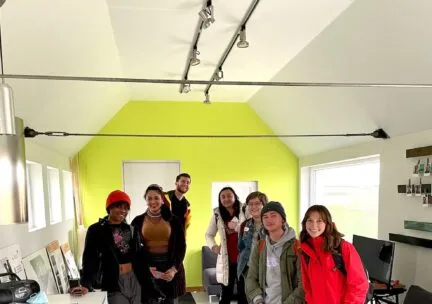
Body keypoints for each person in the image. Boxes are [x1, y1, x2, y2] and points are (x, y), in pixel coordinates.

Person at [72, 190, 162, 304]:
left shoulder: (132, 229)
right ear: (109, 207)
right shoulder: (96, 230)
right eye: (119, 206)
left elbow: (140, 259)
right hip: (114, 281)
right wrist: (85, 283)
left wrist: (152, 286)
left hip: (134, 279)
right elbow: (89, 258)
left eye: (126, 208)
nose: (123, 210)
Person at [299, 205, 369, 304]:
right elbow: (307, 287)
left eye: (319, 221)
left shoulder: (343, 247)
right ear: (305, 223)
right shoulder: (305, 251)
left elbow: (358, 285)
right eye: (310, 220)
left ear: (327, 224)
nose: (313, 225)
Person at [132, 184, 186, 304]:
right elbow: (134, 250)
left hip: (170, 267)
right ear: (145, 200)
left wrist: (173, 269)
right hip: (149, 268)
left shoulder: (174, 220)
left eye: (156, 198)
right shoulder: (137, 221)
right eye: (149, 198)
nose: (153, 201)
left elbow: (181, 246)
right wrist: (146, 269)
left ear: (162, 199)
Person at [246, 201, 304, 304]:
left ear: (282, 220)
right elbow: (251, 277)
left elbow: (303, 284)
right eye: (265, 217)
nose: (269, 220)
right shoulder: (260, 246)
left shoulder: (297, 247)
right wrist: (258, 299)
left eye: (273, 215)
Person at [205, 187, 246, 304]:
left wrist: (237, 227)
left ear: (235, 196)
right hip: (227, 260)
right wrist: (213, 247)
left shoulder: (245, 210)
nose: (226, 199)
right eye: (223, 197)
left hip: (244, 259)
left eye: (229, 196)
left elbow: (251, 229)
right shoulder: (217, 215)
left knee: (244, 295)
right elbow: (209, 234)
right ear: (220, 200)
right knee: (226, 295)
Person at [237, 191, 268, 303]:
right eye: (250, 204)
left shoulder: (272, 224)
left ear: (264, 205)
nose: (253, 207)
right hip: (247, 269)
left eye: (257, 203)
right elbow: (241, 247)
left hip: (266, 270)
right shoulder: (244, 225)